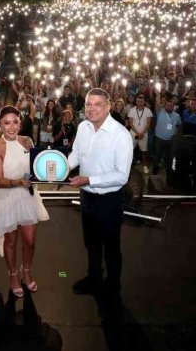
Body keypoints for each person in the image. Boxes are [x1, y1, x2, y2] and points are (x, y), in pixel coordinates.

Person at [68, 88, 133, 297]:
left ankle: (113, 284)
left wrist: (89, 179)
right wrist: (59, 167)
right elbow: (76, 155)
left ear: (108, 106)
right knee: (91, 242)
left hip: (109, 200)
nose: (92, 108)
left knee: (111, 245)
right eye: (88, 104)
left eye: (97, 104)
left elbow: (122, 176)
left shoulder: (121, 135)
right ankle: (94, 277)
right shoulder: (83, 127)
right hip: (86, 196)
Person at [0, 106, 49, 298]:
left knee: (30, 241)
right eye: (7, 123)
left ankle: (27, 270)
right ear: (0, 125)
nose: (11, 127)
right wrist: (19, 182)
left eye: (15, 122)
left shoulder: (27, 141)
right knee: (11, 240)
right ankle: (13, 275)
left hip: (26, 195)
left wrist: (46, 172)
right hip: (6, 197)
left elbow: (36, 166)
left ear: (20, 123)